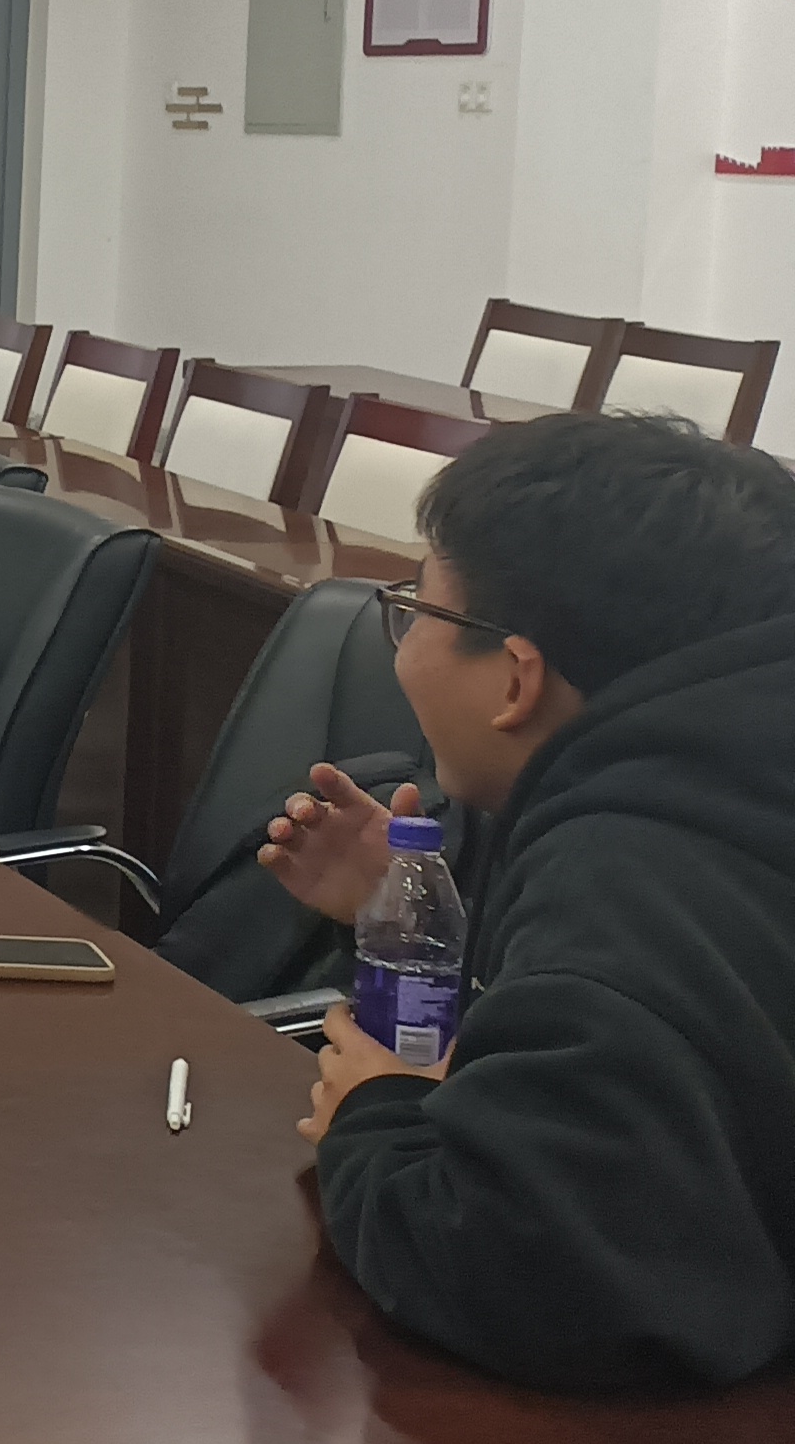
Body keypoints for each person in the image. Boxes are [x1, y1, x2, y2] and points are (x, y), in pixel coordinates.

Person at [260, 412, 795, 1393]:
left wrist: (373, 1117)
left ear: (516, 678)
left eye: (418, 610)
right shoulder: (726, 783)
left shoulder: (625, 872)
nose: (403, 648)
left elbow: (534, 1277)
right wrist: (415, 928)